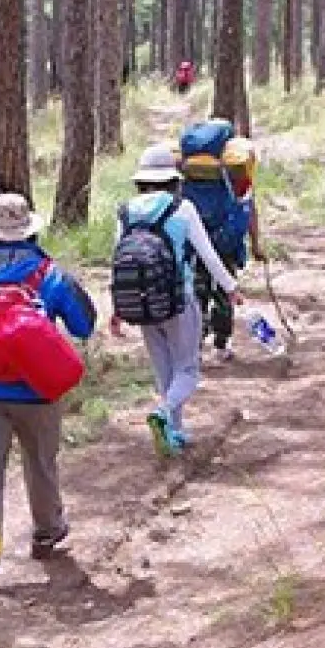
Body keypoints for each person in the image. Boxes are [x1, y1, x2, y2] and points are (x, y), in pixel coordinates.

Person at [0, 194, 96, 597]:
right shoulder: (51, 276)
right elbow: (82, 327)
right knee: (41, 463)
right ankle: (46, 534)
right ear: (30, 230)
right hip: (39, 393)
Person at [110, 145, 240, 456]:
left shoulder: (125, 211)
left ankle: (175, 432)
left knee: (164, 372)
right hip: (179, 299)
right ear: (172, 178)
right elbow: (207, 254)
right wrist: (230, 287)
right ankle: (165, 414)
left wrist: (116, 307)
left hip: (140, 302)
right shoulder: (182, 208)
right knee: (188, 371)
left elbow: (117, 259)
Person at [177, 120, 263, 364]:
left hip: (196, 241)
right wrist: (256, 245)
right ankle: (222, 344)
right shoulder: (235, 172)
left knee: (198, 291)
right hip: (226, 241)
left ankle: (197, 343)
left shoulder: (188, 176)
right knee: (226, 293)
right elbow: (248, 208)